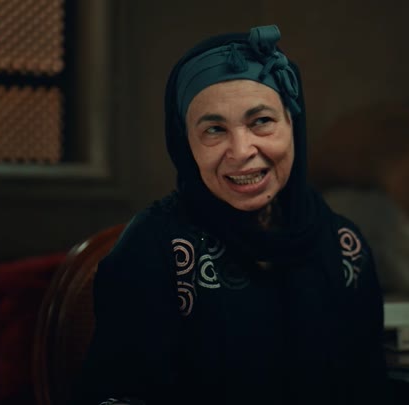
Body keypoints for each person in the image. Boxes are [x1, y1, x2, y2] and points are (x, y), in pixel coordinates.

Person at [70, 25, 387, 405]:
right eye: (214, 129)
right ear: (186, 145)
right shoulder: (155, 247)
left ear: (293, 124)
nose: (241, 151)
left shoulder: (344, 248)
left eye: (261, 121)